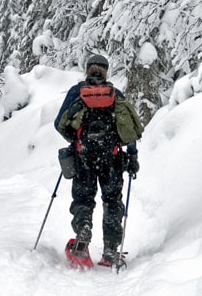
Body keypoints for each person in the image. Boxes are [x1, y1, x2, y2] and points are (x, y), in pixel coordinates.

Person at [54, 54, 141, 268]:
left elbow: (59, 123)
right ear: (106, 70)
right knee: (112, 201)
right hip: (111, 158)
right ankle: (111, 251)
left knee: (83, 199)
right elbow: (129, 129)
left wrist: (75, 139)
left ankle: (83, 233)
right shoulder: (115, 94)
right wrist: (132, 155)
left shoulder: (77, 92)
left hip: (83, 157)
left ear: (87, 69)